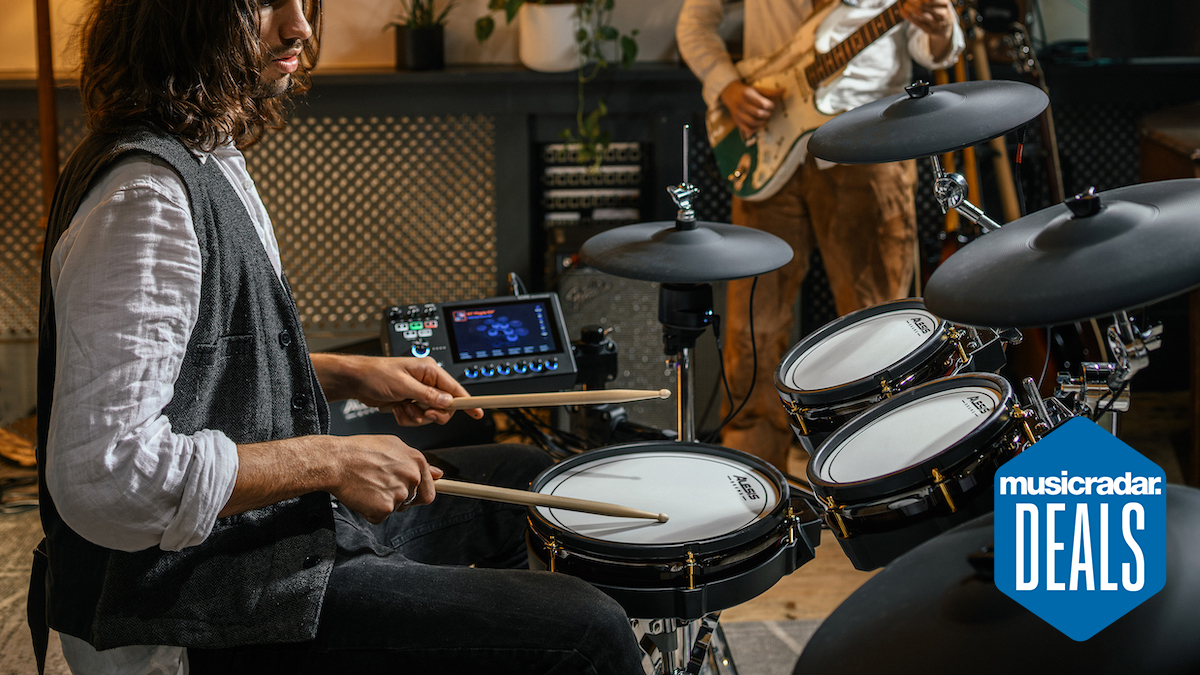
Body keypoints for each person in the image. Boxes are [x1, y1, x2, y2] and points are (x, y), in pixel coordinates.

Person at [30, 1, 645, 673]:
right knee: (589, 629)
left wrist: (348, 372)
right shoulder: (145, 197)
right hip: (191, 605)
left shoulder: (199, 153)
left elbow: (196, 361)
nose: (300, 27)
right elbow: (105, 474)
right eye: (265, 3)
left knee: (527, 481)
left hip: (252, 547)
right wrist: (331, 461)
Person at [676, 0, 965, 470]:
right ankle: (749, 476)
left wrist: (940, 25)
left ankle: (879, 467)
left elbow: (933, 47)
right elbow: (695, 20)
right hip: (768, 138)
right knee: (752, 323)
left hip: (869, 138)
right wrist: (726, 85)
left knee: (879, 321)